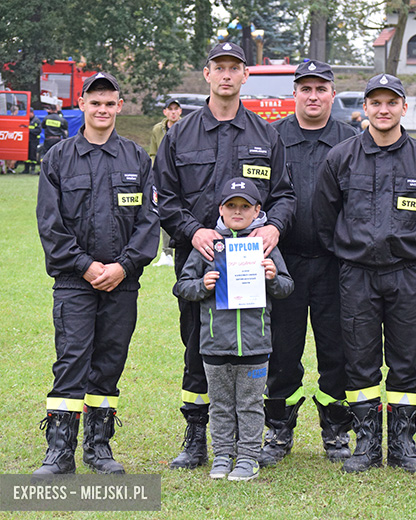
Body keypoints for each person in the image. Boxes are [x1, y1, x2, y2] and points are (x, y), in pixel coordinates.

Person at [155, 42, 295, 471]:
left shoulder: (264, 134)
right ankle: (198, 434)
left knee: (252, 344)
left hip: (254, 263)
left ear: (245, 75)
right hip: (201, 258)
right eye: (220, 67)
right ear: (208, 74)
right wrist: (193, 231)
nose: (227, 75)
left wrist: (273, 227)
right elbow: (164, 197)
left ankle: (250, 441)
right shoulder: (181, 134)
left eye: (235, 68)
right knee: (198, 345)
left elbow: (285, 194)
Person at [314, 73, 416, 474]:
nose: (383, 110)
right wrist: (349, 256)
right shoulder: (341, 157)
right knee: (360, 361)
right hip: (357, 275)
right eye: (376, 103)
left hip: (406, 274)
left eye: (392, 103)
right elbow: (323, 218)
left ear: (405, 107)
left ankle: (403, 443)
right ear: (364, 108)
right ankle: (367, 443)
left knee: (406, 361)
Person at [34, 72, 159, 475]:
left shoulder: (137, 158)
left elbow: (148, 221)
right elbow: (50, 224)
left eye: (110, 103)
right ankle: (59, 451)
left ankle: (98, 448)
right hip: (74, 281)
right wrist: (87, 266)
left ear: (120, 107)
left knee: (109, 362)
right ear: (82, 106)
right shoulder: (58, 157)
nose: (102, 110)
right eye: (95, 103)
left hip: (123, 282)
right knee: (71, 361)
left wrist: (123, 266)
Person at [259, 60, 357, 467]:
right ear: (294, 94)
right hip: (285, 263)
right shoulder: (272, 137)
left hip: (337, 264)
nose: (313, 96)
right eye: (305, 89)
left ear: (332, 94)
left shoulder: (352, 140)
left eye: (321, 89)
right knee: (282, 350)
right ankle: (278, 430)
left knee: (337, 350)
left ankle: (336, 431)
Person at [175, 178, 294, 481]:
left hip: (255, 345)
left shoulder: (264, 246)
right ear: (221, 210)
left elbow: (286, 286)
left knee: (251, 404)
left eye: (245, 207)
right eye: (232, 206)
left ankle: (249, 458)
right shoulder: (209, 245)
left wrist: (271, 276)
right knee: (221, 405)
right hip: (215, 344)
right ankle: (223, 455)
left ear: (257, 211)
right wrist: (202, 286)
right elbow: (182, 286)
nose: (238, 212)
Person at [149, 98, 183, 267]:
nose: (173, 112)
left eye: (176, 109)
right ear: (165, 112)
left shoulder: (187, 126)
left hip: (183, 174)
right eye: (170, 109)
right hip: (164, 176)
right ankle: (166, 252)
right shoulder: (158, 129)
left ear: (180, 111)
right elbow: (153, 153)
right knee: (166, 210)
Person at [20, 109, 42, 174]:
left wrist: (29, 131)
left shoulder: (36, 121)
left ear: (32, 113)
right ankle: (26, 169)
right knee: (26, 156)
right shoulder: (26, 120)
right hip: (26, 140)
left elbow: (38, 131)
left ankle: (32, 169)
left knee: (33, 156)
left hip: (34, 140)